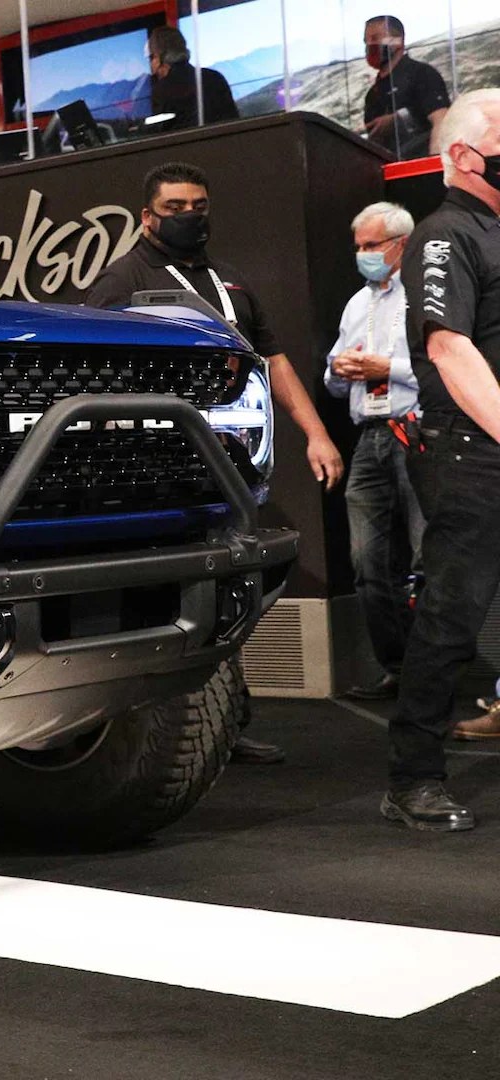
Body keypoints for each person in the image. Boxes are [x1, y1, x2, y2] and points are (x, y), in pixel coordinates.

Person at [85, 161, 346, 766]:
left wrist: (316, 434)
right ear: (148, 217)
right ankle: (169, 729)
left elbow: (274, 359)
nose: (190, 215)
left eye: (198, 204)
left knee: (235, 589)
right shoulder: (121, 280)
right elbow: (91, 370)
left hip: (234, 468)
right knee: (174, 597)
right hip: (160, 473)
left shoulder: (229, 281)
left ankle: (226, 719)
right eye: (175, 207)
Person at [383, 89, 500, 829]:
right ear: (462, 155)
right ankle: (411, 779)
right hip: (474, 454)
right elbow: (449, 347)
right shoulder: (444, 233)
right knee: (452, 621)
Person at [324, 202, 424, 702]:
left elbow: (441, 362)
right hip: (369, 438)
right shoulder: (355, 304)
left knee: (430, 559)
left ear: (400, 244)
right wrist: (338, 370)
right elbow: (335, 379)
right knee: (366, 564)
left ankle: (434, 673)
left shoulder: (427, 294)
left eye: (371, 246)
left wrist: (387, 366)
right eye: (358, 246)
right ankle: (398, 667)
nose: (362, 255)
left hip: (419, 431)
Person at [363, 16, 451, 160]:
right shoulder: (372, 94)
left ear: (398, 41)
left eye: (375, 38)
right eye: (366, 41)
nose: (369, 45)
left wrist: (434, 169)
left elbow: (441, 120)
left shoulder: (421, 74)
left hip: (419, 169)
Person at [145, 26, 239, 128]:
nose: (151, 66)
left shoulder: (162, 91)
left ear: (159, 57)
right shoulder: (215, 78)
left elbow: (161, 134)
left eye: (151, 58)